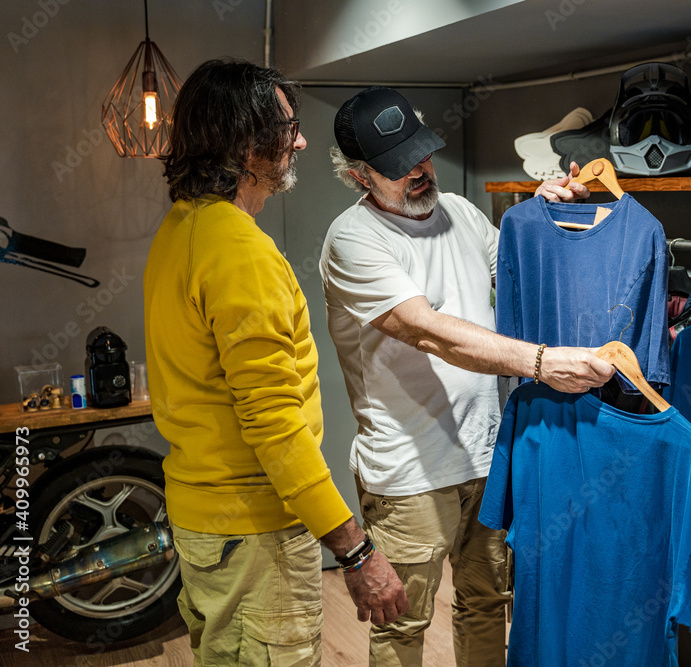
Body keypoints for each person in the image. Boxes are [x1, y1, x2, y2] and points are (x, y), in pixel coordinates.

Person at [321, 86, 616, 666]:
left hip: (488, 456)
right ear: (359, 176)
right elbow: (429, 330)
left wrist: (544, 210)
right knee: (403, 623)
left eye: (422, 152)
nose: (419, 170)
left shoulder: (461, 212)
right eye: (398, 165)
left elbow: (521, 275)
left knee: (487, 603)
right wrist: (539, 362)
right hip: (410, 474)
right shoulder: (353, 240)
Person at [144, 61, 407, 666]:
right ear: (246, 142)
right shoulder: (240, 253)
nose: (303, 140)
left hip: (206, 524)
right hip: (255, 531)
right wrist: (356, 550)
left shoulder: (182, 229)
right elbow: (274, 425)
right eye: (289, 127)